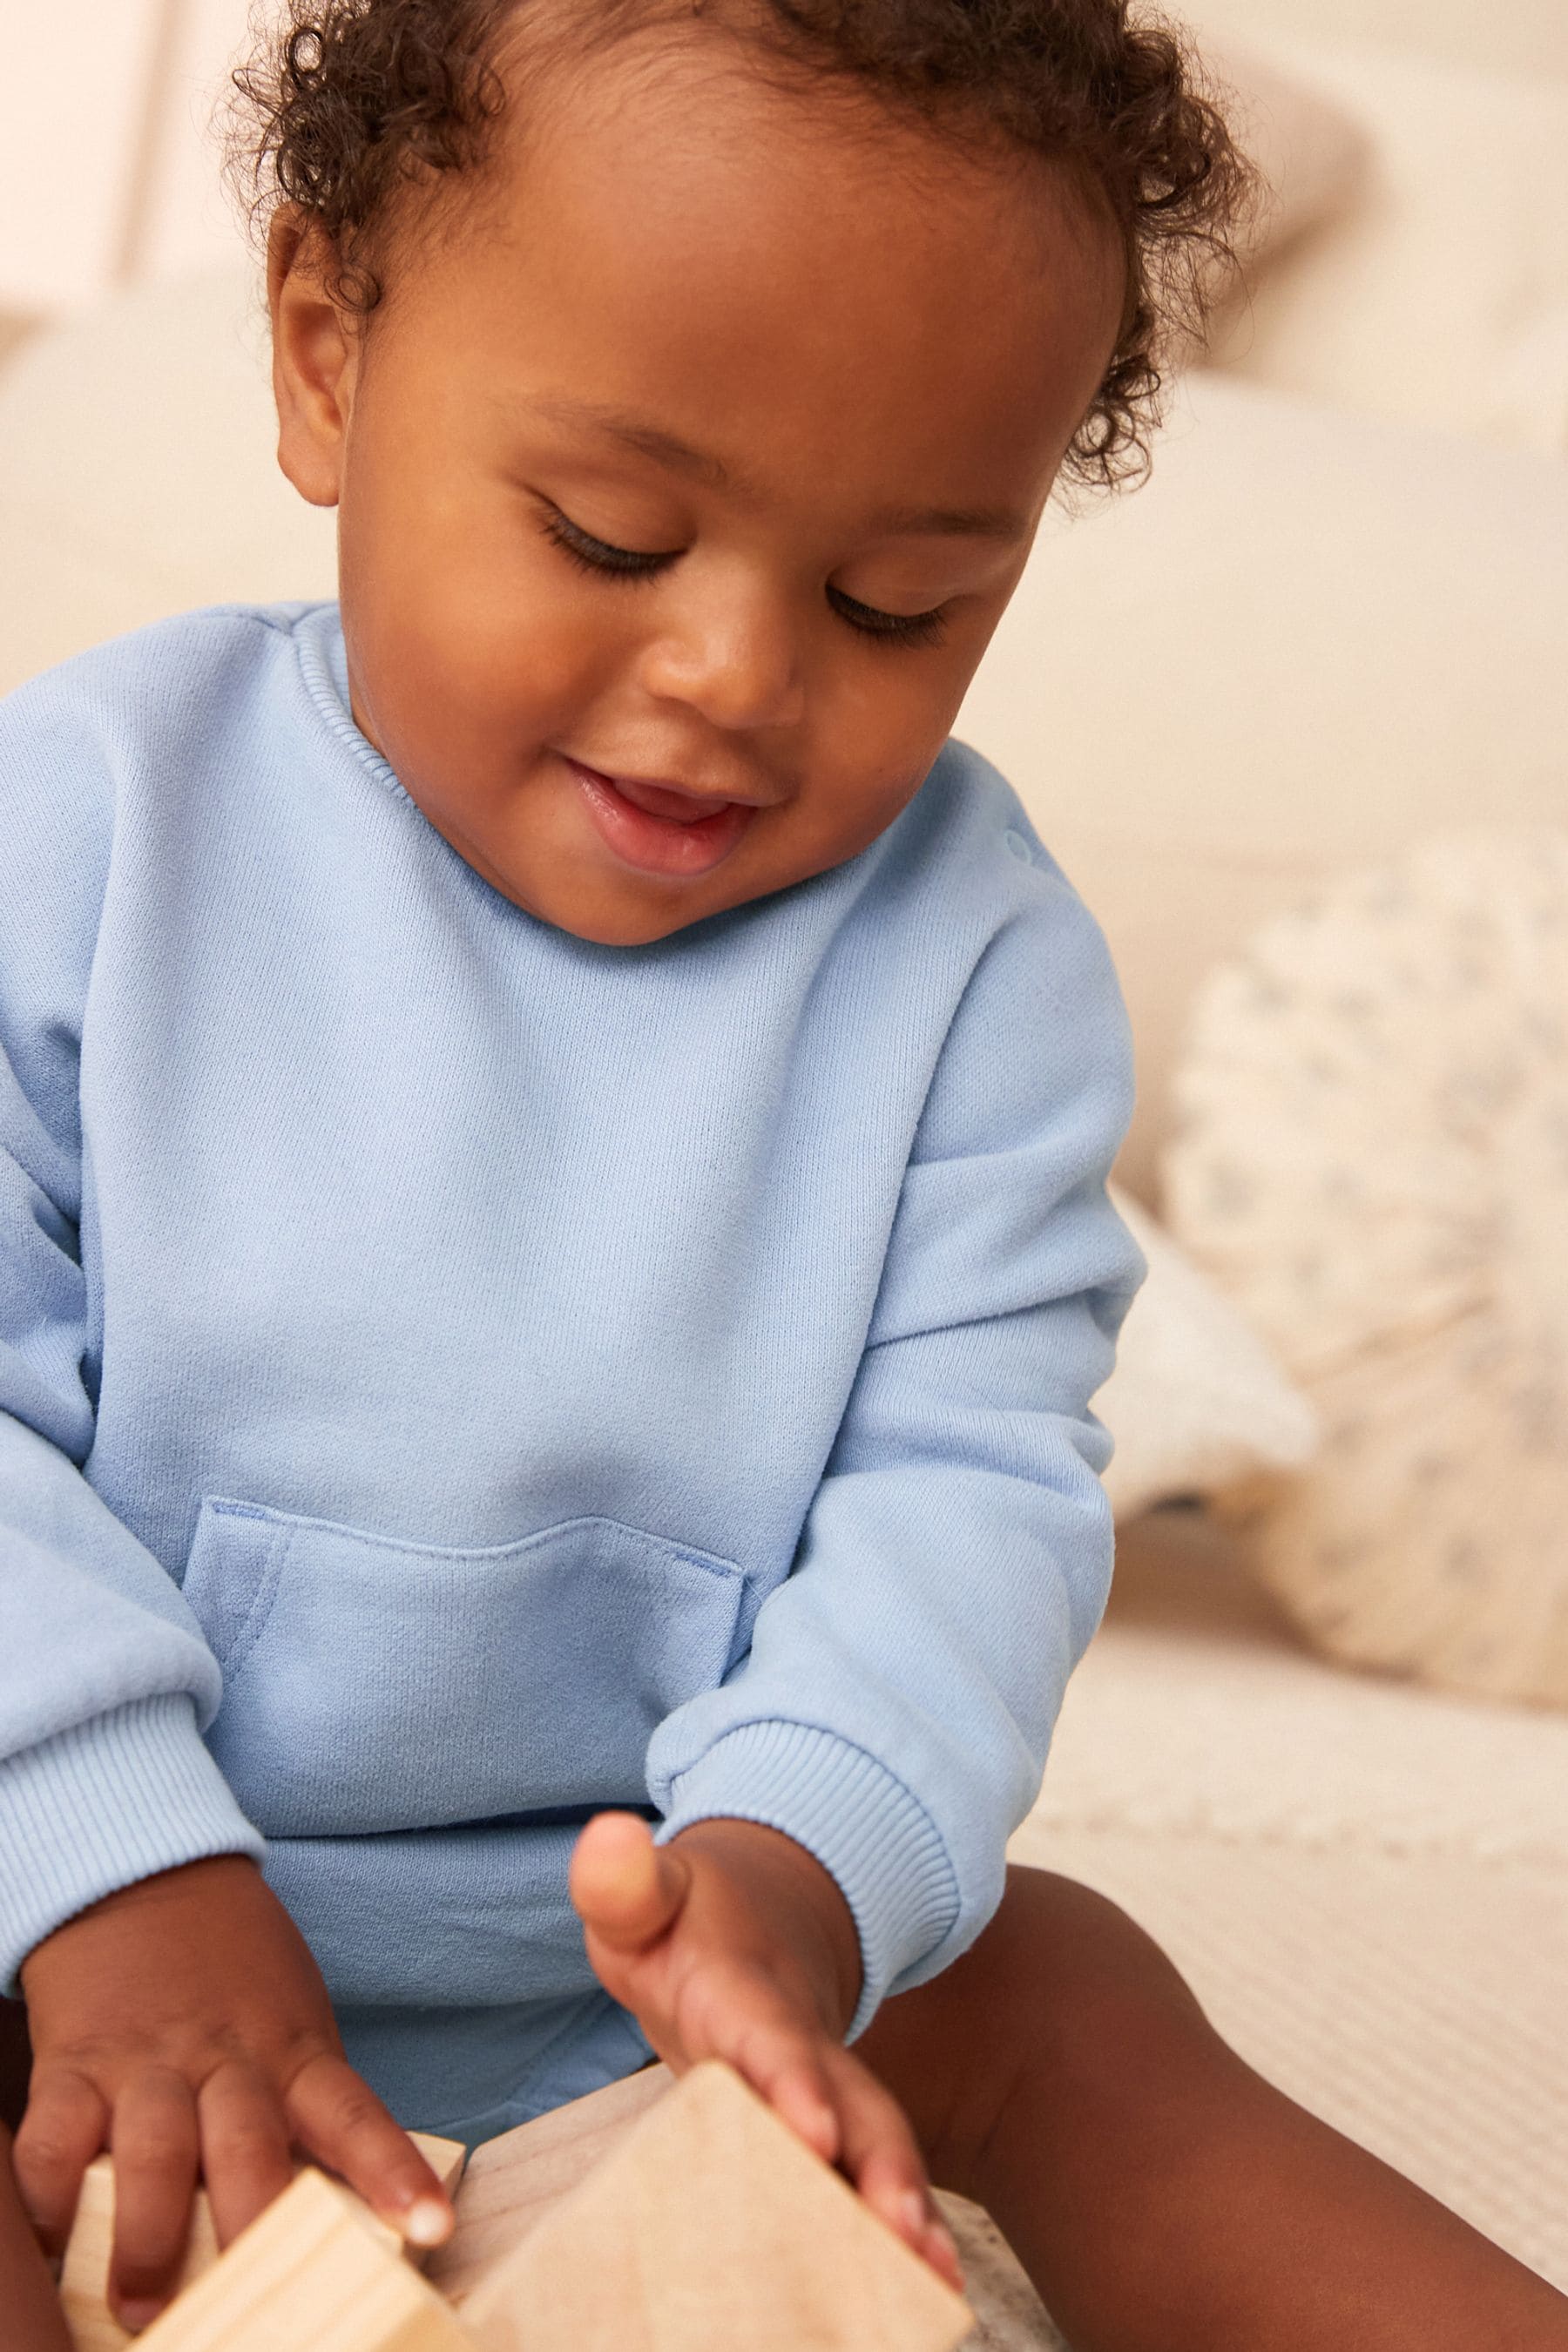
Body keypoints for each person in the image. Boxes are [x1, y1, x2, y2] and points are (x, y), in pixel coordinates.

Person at [2, 2, 1565, 2345]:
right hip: (81, 1897)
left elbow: (969, 1491)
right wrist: (107, 1857)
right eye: (614, 531)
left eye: (901, 602)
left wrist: (796, 1880)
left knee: (1072, 1993)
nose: (736, 669)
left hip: (641, 1943)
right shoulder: (96, 825)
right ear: (329, 355)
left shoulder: (975, 960)